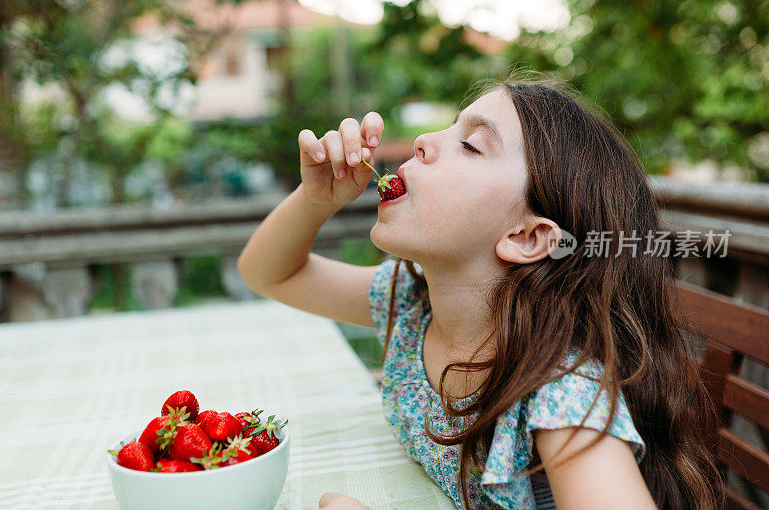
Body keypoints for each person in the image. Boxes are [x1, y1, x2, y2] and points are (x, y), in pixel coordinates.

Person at [236, 69, 724, 509]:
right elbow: (270, 273)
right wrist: (314, 199)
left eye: (471, 145)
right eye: (450, 127)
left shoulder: (559, 394)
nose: (424, 140)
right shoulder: (415, 302)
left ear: (527, 237)